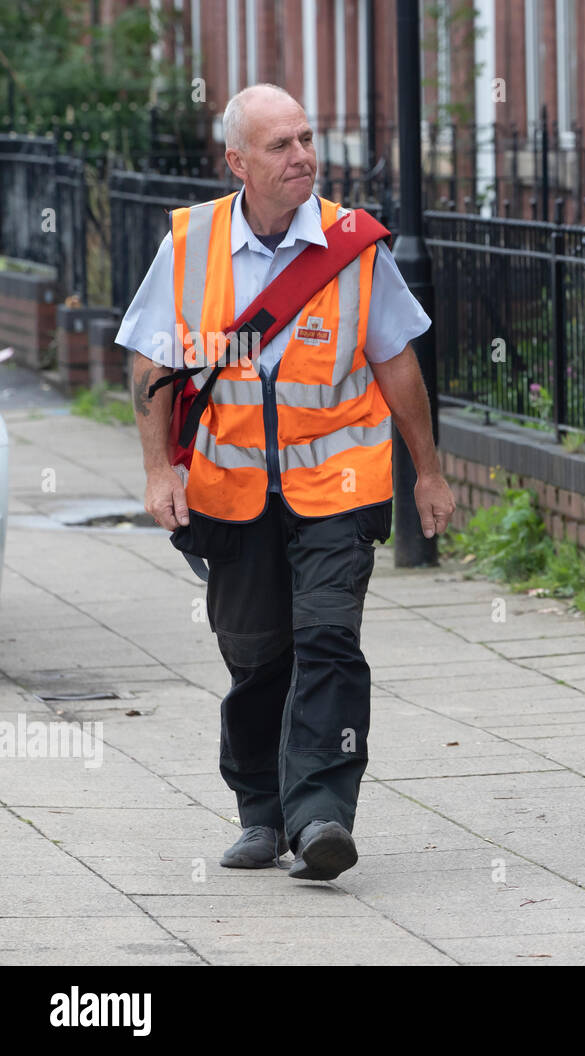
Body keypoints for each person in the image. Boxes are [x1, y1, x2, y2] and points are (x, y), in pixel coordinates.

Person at [117, 83, 456, 882]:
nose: (303, 156)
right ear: (238, 161)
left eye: (307, 138)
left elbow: (396, 362)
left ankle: (322, 815)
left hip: (339, 482)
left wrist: (429, 473)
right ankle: (262, 813)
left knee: (330, 640)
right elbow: (151, 362)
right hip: (229, 491)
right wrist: (159, 468)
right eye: (281, 145)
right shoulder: (191, 243)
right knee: (257, 656)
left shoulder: (351, 244)